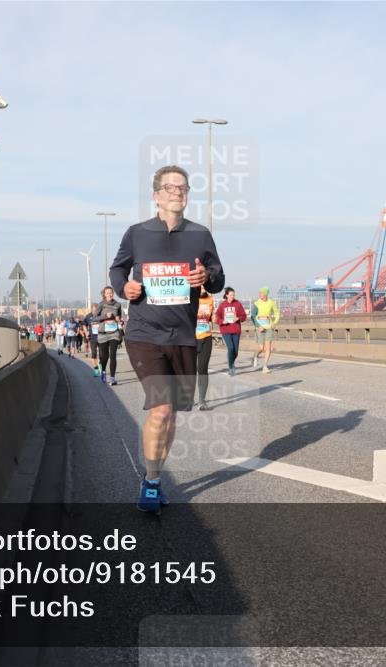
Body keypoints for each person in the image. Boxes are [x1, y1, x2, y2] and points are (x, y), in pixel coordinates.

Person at [110, 165, 224, 513]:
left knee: (172, 413)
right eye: (170, 187)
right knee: (160, 408)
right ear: (156, 195)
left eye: (183, 187)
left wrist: (207, 275)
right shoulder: (137, 233)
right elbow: (118, 269)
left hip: (184, 334)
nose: (177, 192)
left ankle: (154, 476)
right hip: (145, 332)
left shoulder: (201, 234)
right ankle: (152, 480)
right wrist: (123, 287)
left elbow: (218, 279)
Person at [215, 287, 247, 376]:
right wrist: (222, 321)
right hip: (225, 330)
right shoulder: (222, 305)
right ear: (226, 295)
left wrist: (238, 318)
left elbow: (244, 316)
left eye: (234, 295)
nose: (233, 296)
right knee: (231, 348)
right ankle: (231, 366)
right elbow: (217, 317)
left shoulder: (238, 304)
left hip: (236, 330)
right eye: (231, 295)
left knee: (235, 352)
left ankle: (231, 360)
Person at [96, 287, 123, 385]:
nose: (110, 294)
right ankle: (103, 371)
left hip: (114, 333)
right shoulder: (101, 304)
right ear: (104, 294)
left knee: (113, 355)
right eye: (107, 293)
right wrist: (104, 316)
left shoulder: (117, 305)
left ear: (113, 293)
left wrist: (119, 320)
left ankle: (112, 378)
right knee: (104, 357)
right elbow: (95, 318)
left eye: (111, 292)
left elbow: (119, 318)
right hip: (103, 334)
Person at [195, 287, 216, 410]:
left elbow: (211, 317)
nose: (203, 287)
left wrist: (215, 318)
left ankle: (202, 400)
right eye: (200, 285)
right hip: (190, 338)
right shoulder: (190, 298)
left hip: (206, 336)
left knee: (202, 368)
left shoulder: (210, 299)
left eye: (204, 285)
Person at [251, 286, 280, 373]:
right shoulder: (256, 303)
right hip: (259, 328)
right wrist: (258, 325)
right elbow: (253, 316)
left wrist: (274, 322)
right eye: (259, 293)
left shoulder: (271, 303)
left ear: (266, 294)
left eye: (261, 293)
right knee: (261, 348)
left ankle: (265, 366)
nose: (260, 294)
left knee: (268, 348)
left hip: (269, 328)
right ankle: (255, 356)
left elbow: (277, 313)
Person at [83, 303, 101, 377]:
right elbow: (84, 324)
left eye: (96, 310)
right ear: (91, 309)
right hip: (92, 338)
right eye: (93, 310)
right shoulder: (88, 316)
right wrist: (86, 332)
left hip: (101, 337)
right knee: (93, 354)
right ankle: (96, 370)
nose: (94, 312)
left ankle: (100, 365)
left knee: (102, 354)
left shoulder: (101, 315)